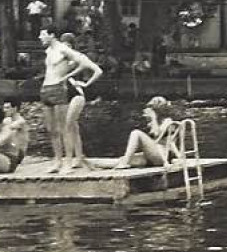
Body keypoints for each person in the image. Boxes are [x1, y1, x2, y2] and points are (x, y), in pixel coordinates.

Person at [37, 29, 102, 173]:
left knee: (65, 127)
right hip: (46, 89)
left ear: (51, 35)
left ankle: (68, 162)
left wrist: (72, 77)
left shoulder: (64, 50)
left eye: (43, 34)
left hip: (59, 88)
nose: (40, 37)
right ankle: (57, 161)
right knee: (51, 130)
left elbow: (92, 67)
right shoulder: (48, 51)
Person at [59, 31, 103, 171]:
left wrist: (86, 83)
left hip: (76, 94)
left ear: (72, 45)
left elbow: (98, 71)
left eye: (67, 45)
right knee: (73, 127)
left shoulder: (78, 58)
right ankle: (78, 158)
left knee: (68, 125)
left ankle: (70, 159)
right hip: (63, 95)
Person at [109, 97, 181, 170]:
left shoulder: (168, 121)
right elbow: (150, 140)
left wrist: (153, 118)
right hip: (153, 156)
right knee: (124, 158)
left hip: (163, 155)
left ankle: (125, 163)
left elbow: (157, 135)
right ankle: (103, 163)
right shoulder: (154, 123)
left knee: (136, 133)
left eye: (150, 110)